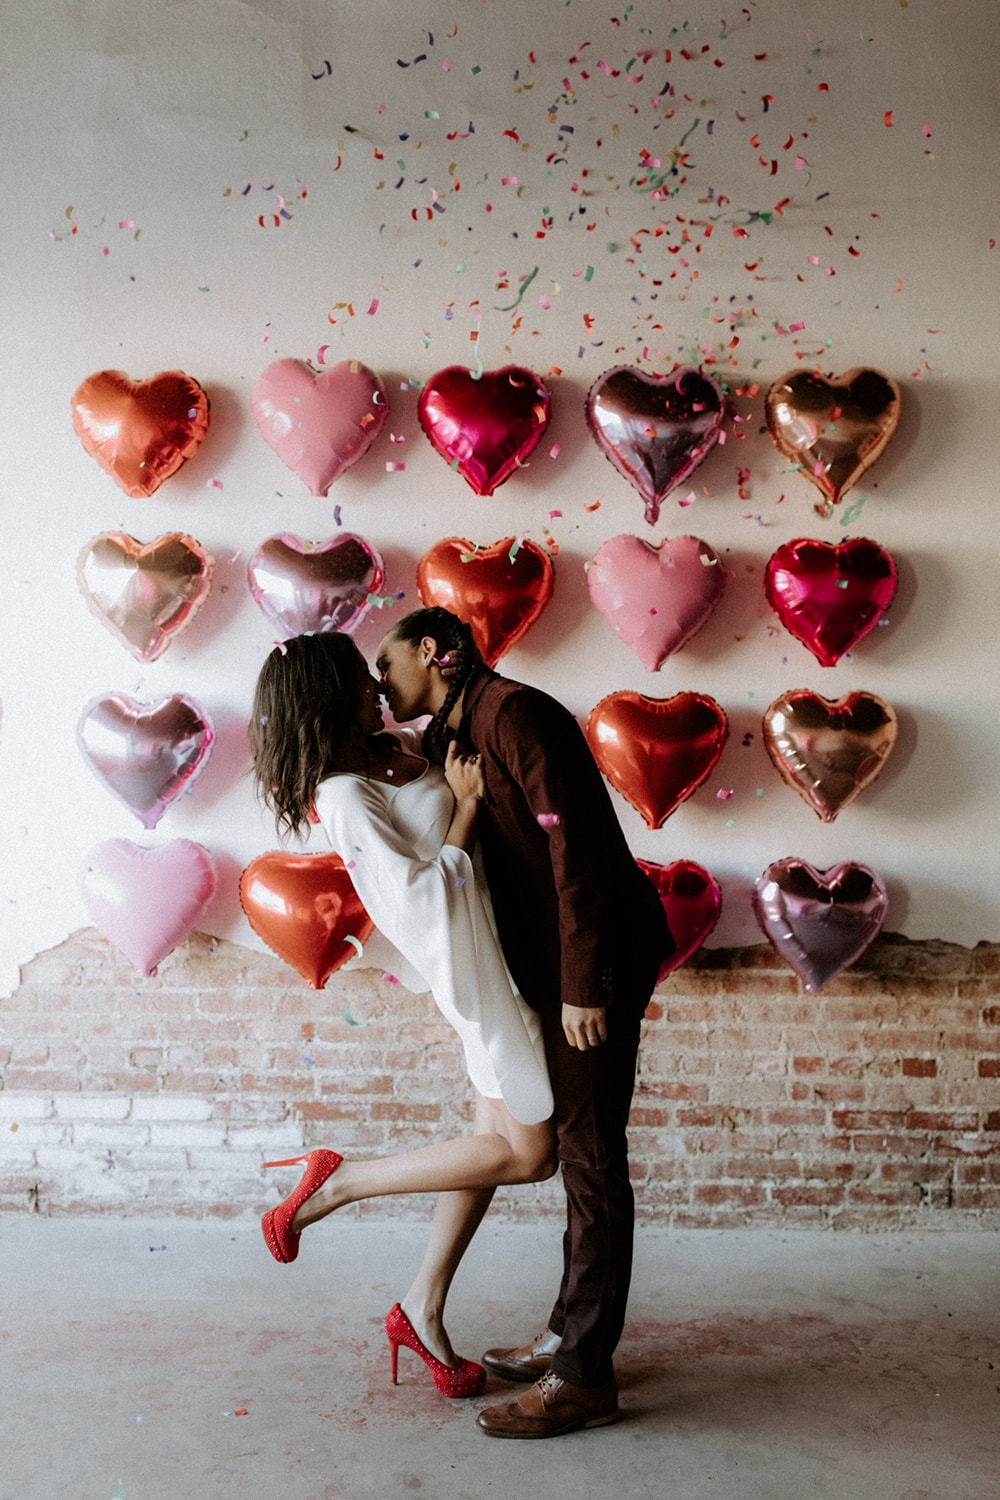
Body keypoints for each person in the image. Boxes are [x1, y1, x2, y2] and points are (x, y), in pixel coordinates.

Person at [376, 607, 673, 1439]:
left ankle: (585, 1376)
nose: (381, 684)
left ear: (433, 652)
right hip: (549, 966)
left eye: (386, 664)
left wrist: (585, 988)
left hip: (594, 962)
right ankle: (566, 1334)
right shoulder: (456, 730)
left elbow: (575, 850)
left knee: (589, 1156)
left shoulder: (518, 712)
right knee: (579, 1151)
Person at [249, 632, 556, 1400]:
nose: (374, 691)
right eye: (359, 682)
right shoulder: (345, 796)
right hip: (483, 978)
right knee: (532, 1153)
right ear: (324, 702)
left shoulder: (392, 749)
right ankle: (343, 1181)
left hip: (500, 952)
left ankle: (421, 1308)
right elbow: (415, 908)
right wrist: (468, 814)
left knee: (492, 1143)